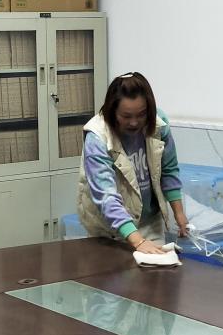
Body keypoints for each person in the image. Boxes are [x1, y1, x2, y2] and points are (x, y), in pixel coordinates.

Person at [77, 71, 188, 253]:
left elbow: (169, 170)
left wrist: (179, 213)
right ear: (112, 112)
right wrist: (138, 242)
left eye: (141, 114)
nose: (134, 123)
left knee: (157, 268)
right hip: (109, 231)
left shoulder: (158, 124)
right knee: (114, 271)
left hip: (149, 223)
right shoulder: (97, 137)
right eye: (126, 116)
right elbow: (106, 196)